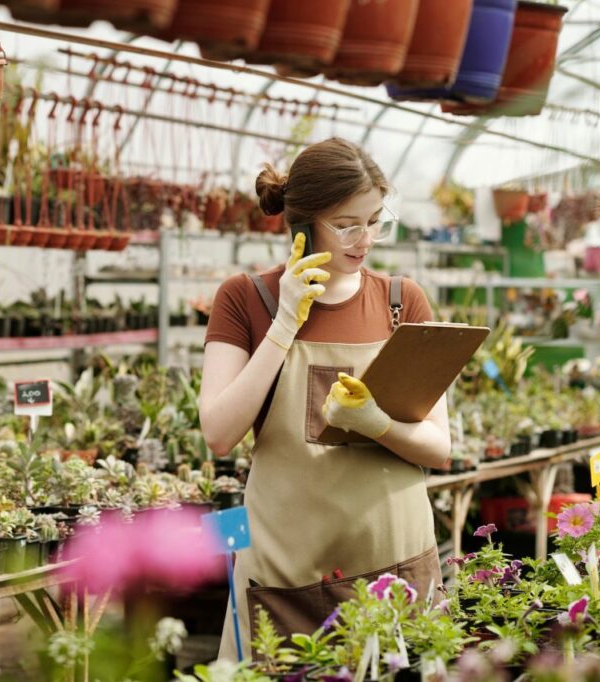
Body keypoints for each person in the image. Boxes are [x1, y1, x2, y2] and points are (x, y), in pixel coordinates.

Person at [199, 138, 450, 661]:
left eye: (376, 220)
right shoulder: (247, 299)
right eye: (348, 224)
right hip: (285, 579)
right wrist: (285, 322)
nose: (366, 240)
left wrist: (375, 422)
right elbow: (219, 434)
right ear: (304, 223)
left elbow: (439, 448)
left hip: (396, 570)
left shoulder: (403, 301)